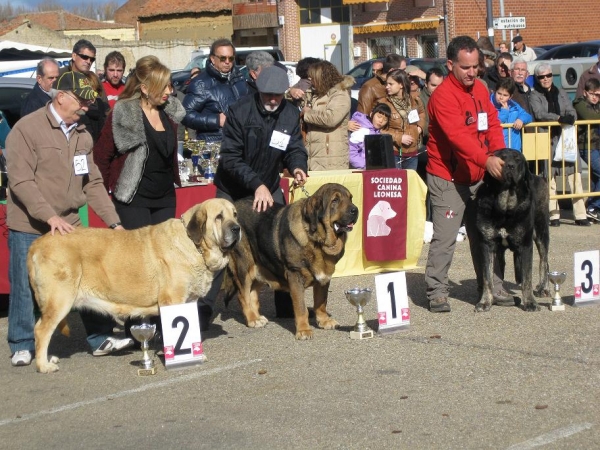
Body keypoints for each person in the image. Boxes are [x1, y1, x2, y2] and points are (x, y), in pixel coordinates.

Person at [5, 71, 132, 367]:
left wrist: (114, 223)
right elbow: (21, 182)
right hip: (30, 224)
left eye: (88, 102)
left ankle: (99, 338)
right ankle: (22, 343)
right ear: (61, 97)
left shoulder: (82, 135)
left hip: (69, 223)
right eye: (81, 101)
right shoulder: (26, 129)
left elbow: (93, 184)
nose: (86, 107)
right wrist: (48, 216)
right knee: (26, 284)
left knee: (90, 279)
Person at [213, 65, 308, 319]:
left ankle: (288, 309)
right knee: (218, 246)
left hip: (269, 186)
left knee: (280, 242)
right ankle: (204, 310)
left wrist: (298, 166)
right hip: (232, 188)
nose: (273, 100)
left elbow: (294, 147)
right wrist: (257, 185)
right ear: (258, 90)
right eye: (268, 95)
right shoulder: (239, 111)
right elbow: (230, 158)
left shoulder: (289, 113)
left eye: (278, 94)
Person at [425, 36, 508, 313]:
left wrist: (499, 153)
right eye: (465, 67)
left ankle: (493, 285)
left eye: (476, 66)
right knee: (446, 238)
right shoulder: (442, 97)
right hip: (447, 177)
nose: (472, 72)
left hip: (478, 175)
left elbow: (491, 123)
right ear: (450, 65)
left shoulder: (482, 89)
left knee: (486, 234)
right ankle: (437, 290)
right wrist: (487, 159)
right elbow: (459, 137)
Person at [530, 62, 590, 227]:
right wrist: (558, 118)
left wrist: (570, 117)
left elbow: (570, 110)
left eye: (549, 75)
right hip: (548, 139)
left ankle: (580, 214)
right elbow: (539, 113)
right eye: (542, 77)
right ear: (538, 78)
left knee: (575, 176)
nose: (546, 79)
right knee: (550, 179)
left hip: (566, 139)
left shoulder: (561, 92)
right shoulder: (535, 95)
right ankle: (554, 214)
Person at [182, 39, 249, 143]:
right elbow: (185, 115)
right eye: (223, 58)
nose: (227, 62)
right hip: (214, 145)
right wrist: (216, 120)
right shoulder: (201, 83)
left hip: (241, 142)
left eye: (231, 58)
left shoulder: (239, 78)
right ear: (213, 59)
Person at [301, 60, 353, 170]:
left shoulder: (340, 94)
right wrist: (291, 92)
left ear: (323, 77)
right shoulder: (314, 93)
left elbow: (331, 118)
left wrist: (307, 114)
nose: (310, 80)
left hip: (331, 159)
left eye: (313, 77)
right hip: (313, 157)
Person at [377, 69, 425, 170]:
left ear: (401, 85)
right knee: (397, 183)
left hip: (412, 151)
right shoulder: (384, 103)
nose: (387, 87)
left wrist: (419, 127)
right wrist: (399, 137)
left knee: (410, 182)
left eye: (390, 84)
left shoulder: (414, 100)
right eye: (386, 84)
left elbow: (422, 113)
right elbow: (378, 128)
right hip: (393, 151)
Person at [63, 39, 109, 142]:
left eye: (92, 59)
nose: (88, 61)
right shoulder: (60, 77)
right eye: (84, 57)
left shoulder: (94, 79)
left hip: (94, 135)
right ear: (74, 56)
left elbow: (105, 109)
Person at [419, 67, 445, 244]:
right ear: (426, 84)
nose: (437, 89)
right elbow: (425, 124)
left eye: (439, 85)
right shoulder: (421, 99)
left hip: (440, 149)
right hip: (422, 149)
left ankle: (439, 223)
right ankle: (426, 224)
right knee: (424, 189)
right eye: (433, 85)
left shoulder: (444, 97)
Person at [573, 77, 600, 221]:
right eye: (593, 94)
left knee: (596, 177)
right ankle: (593, 206)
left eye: (598, 95)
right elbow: (588, 116)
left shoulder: (597, 105)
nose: (596, 98)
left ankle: (592, 207)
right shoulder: (579, 103)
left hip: (597, 145)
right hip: (586, 146)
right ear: (585, 92)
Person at [491, 77, 533, 151]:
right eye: (499, 93)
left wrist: (521, 119)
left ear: (510, 97)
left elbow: (528, 116)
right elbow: (496, 122)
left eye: (505, 95)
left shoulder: (514, 105)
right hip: (497, 148)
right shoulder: (488, 104)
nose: (501, 97)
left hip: (514, 148)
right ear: (495, 91)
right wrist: (504, 112)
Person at [348, 103, 391, 169]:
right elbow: (351, 152)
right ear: (371, 114)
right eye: (379, 117)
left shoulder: (376, 131)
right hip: (361, 170)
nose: (381, 121)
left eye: (385, 120)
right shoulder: (362, 129)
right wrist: (364, 165)